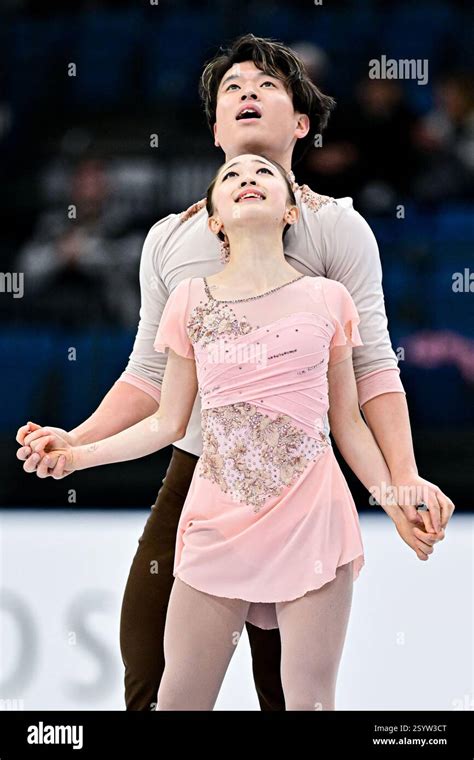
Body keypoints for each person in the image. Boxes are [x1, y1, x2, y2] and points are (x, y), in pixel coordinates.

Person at [16, 35, 453, 711]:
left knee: (292, 695)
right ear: (216, 129)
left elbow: (371, 371)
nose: (248, 92)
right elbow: (148, 376)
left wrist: (400, 482)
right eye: (232, 89)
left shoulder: (338, 229)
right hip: (200, 474)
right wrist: (74, 439)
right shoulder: (168, 240)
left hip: (303, 488)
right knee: (152, 681)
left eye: (270, 86)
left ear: (302, 124)